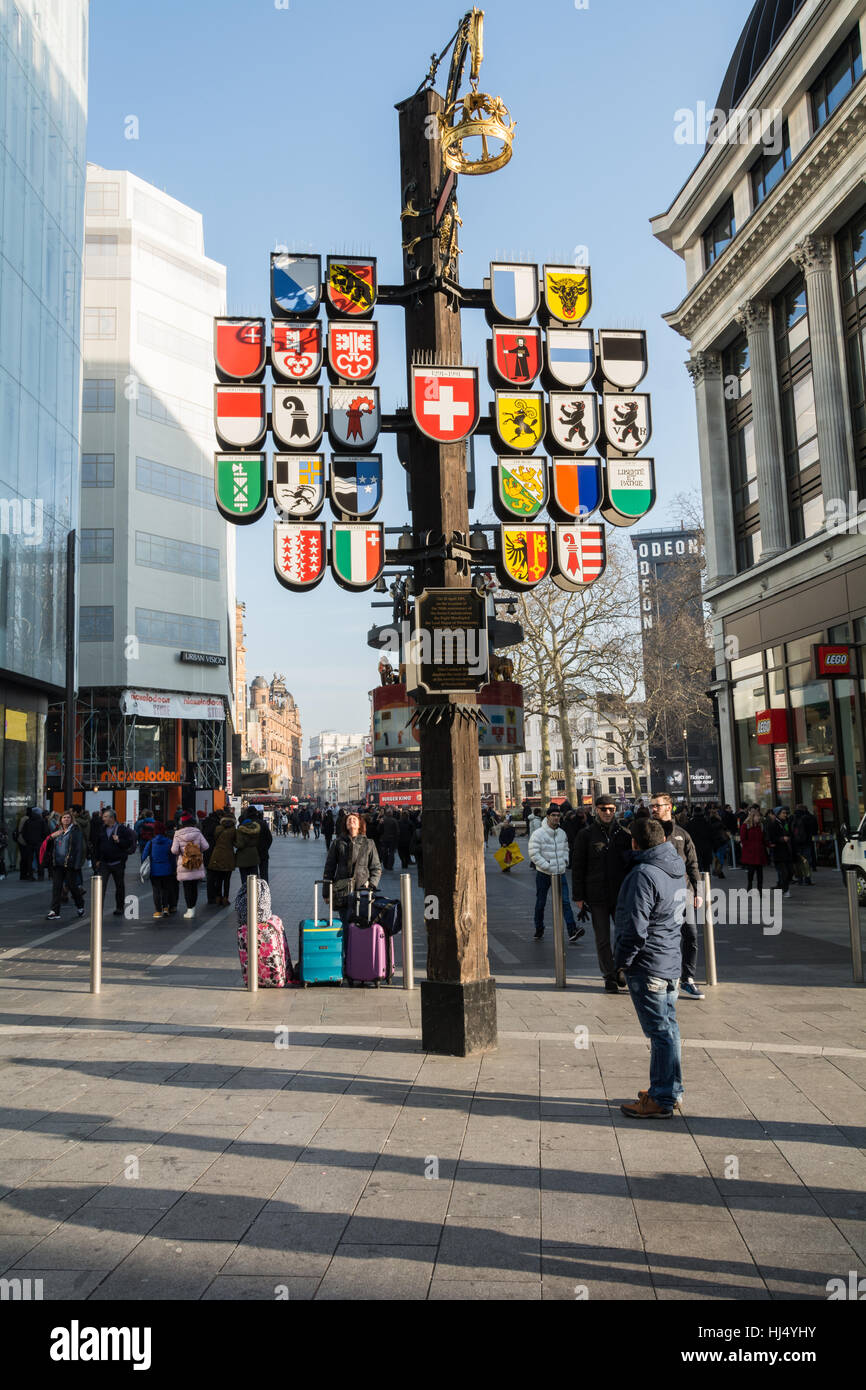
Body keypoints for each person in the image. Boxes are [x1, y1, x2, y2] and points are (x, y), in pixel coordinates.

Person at [615, 816, 686, 1119]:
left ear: (635, 843)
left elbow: (634, 928)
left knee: (661, 1034)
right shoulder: (674, 867)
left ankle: (660, 1098)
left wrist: (622, 962)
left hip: (649, 964)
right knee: (669, 1030)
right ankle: (671, 1090)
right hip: (670, 960)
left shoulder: (643, 874)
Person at [572, 794, 633, 992]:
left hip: (621, 894)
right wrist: (578, 896)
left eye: (611, 809)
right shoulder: (586, 834)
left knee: (624, 935)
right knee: (603, 938)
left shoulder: (624, 834)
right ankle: (609, 976)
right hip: (596, 894)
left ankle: (620, 968)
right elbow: (578, 866)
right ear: (595, 810)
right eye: (604, 809)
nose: (608, 813)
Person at [649, 793, 704, 1000]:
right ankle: (659, 977)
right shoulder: (648, 831)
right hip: (658, 895)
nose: (654, 809)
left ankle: (688, 978)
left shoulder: (682, 834)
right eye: (651, 805)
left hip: (684, 892)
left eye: (658, 805)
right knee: (658, 937)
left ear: (669, 807)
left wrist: (698, 892)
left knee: (690, 934)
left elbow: (693, 864)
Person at [528, 805, 585, 944]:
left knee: (565, 901)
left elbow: (566, 848)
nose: (556, 818)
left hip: (560, 873)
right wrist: (547, 866)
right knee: (541, 902)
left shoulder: (562, 833)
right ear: (547, 816)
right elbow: (533, 853)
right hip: (544, 874)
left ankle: (572, 930)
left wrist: (564, 860)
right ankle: (539, 927)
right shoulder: (538, 833)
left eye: (558, 815)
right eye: (553, 815)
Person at [323, 810, 382, 921]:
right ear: (345, 825)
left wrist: (371, 885)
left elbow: (376, 868)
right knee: (345, 925)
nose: (351, 821)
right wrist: (326, 892)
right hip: (342, 892)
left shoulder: (369, 843)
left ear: (360, 824)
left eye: (354, 819)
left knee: (361, 927)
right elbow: (329, 868)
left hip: (362, 891)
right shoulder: (337, 843)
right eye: (348, 820)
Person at [93, 810, 136, 916]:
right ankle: (98, 908)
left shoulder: (122, 829)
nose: (103, 819)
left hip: (118, 862)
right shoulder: (102, 829)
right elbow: (97, 845)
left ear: (112, 818)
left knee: (119, 885)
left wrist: (119, 841)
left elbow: (128, 843)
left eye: (105, 817)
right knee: (101, 886)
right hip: (104, 863)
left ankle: (120, 907)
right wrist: (96, 860)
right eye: (103, 817)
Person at [45, 811, 86, 919]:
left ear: (71, 819)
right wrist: (51, 837)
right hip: (57, 863)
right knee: (56, 887)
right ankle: (54, 911)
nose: (66, 819)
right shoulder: (57, 830)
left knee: (72, 887)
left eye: (68, 818)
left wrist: (77, 864)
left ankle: (80, 905)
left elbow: (79, 848)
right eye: (64, 818)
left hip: (70, 864)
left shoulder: (75, 831)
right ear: (61, 819)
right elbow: (48, 844)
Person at [170, 812, 209, 919]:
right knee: (194, 887)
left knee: (187, 888)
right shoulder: (197, 832)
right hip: (196, 863)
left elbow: (174, 851)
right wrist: (196, 849)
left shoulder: (177, 834)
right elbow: (206, 846)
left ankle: (189, 909)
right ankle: (193, 907)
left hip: (184, 864)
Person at [142, 822, 179, 918]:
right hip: (167, 870)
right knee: (166, 890)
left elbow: (144, 856)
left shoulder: (150, 843)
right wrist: (174, 868)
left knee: (156, 891)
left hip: (154, 870)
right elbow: (172, 857)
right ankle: (166, 908)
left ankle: (158, 911)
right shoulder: (169, 842)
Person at [206, 811, 237, 906]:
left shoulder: (218, 828)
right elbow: (236, 843)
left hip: (217, 854)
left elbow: (215, 839)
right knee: (227, 880)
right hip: (228, 855)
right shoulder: (233, 830)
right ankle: (225, 898)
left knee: (218, 878)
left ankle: (218, 898)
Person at [739, 808, 768, 896]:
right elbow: (743, 839)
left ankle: (760, 890)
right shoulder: (746, 826)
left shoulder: (761, 826)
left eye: (759, 816)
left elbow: (763, 839)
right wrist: (749, 847)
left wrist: (767, 845)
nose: (759, 818)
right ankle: (749, 887)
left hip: (759, 853)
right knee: (751, 872)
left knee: (760, 873)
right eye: (757, 816)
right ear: (752, 816)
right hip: (750, 853)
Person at [767, 807, 793, 896]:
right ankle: (786, 890)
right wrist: (781, 839)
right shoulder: (774, 824)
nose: (785, 815)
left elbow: (790, 834)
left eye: (786, 813)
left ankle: (783, 887)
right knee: (784, 872)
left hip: (787, 851)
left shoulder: (786, 822)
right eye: (783, 813)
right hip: (779, 852)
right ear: (778, 814)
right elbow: (771, 838)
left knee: (790, 871)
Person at [791, 803, 817, 884]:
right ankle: (807, 879)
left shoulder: (792, 817)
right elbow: (814, 828)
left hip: (796, 843)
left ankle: (800, 879)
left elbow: (789, 829)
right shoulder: (809, 817)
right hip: (806, 842)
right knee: (806, 860)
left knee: (798, 861)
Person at [19, 807, 46, 881]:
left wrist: (27, 840)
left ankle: (30, 875)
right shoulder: (41, 821)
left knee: (29, 860)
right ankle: (41, 876)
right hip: (39, 843)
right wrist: (42, 840)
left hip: (29, 843)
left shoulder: (28, 821)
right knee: (40, 859)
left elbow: (23, 832)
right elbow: (45, 832)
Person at [235, 813, 262, 884]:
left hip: (243, 857)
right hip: (254, 856)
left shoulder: (240, 831)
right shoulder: (256, 830)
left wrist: (234, 843)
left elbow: (240, 845)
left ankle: (245, 893)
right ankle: (254, 893)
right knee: (254, 877)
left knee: (244, 877)